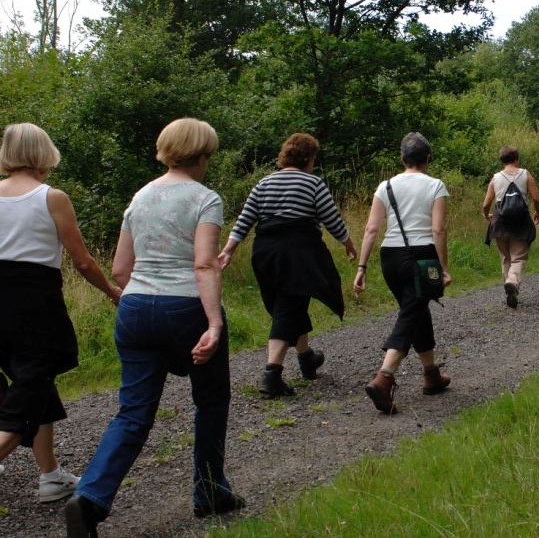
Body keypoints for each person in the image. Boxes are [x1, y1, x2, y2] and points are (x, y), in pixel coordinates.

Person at [66, 118, 244, 537]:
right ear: (201, 156)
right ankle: (209, 491)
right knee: (211, 400)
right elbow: (203, 263)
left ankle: (89, 500)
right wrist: (214, 323)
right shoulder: (205, 198)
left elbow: (120, 268)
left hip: (134, 308)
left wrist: (146, 297)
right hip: (187, 309)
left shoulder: (140, 197)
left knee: (133, 412)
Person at [0, 124, 121, 506]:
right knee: (31, 385)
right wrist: (112, 292)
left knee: (34, 383)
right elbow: (82, 261)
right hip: (34, 305)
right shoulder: (52, 197)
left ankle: (51, 476)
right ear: (44, 152)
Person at [218, 133, 356, 399]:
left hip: (266, 252)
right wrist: (348, 243)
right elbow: (332, 218)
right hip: (299, 251)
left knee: (290, 303)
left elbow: (245, 220)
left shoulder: (264, 183)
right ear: (308, 158)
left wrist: (228, 251)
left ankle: (307, 359)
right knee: (287, 307)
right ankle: (272, 374)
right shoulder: (313, 183)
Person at [353, 133, 452, 415]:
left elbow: (371, 229)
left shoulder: (385, 186)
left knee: (416, 309)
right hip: (421, 256)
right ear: (428, 158)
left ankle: (431, 374)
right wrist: (443, 268)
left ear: (402, 158)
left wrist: (362, 267)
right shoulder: (435, 185)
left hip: (390, 258)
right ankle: (384, 377)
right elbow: (438, 230)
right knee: (411, 312)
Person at [481, 146, 539, 309]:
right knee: (518, 257)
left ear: (502, 160)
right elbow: (536, 198)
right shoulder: (525, 174)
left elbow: (486, 203)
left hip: (500, 222)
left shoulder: (496, 178)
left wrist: (487, 216)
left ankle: (510, 288)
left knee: (505, 257)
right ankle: (512, 282)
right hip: (521, 222)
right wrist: (537, 212)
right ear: (516, 158)